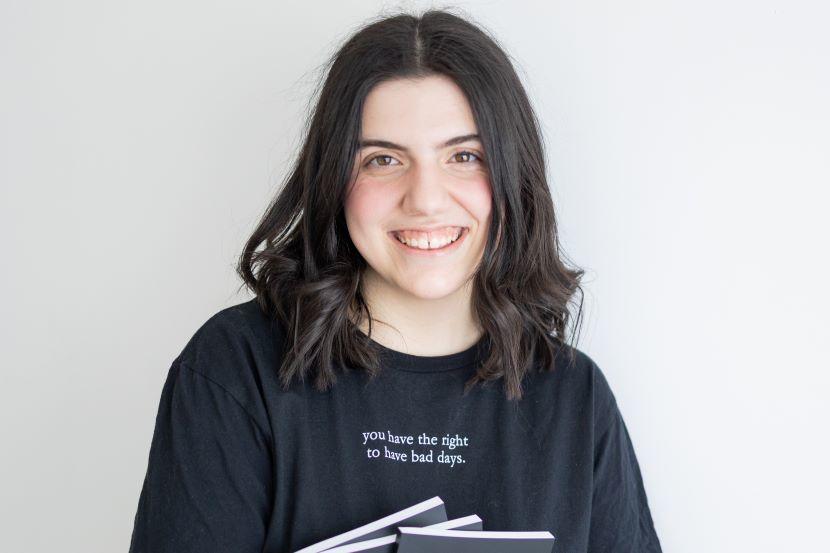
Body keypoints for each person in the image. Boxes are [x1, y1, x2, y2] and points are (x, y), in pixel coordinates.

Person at [128, 9, 662, 553]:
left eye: (464, 156)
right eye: (383, 159)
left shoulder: (576, 397)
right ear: (334, 179)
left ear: (512, 175)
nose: (425, 200)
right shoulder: (237, 369)